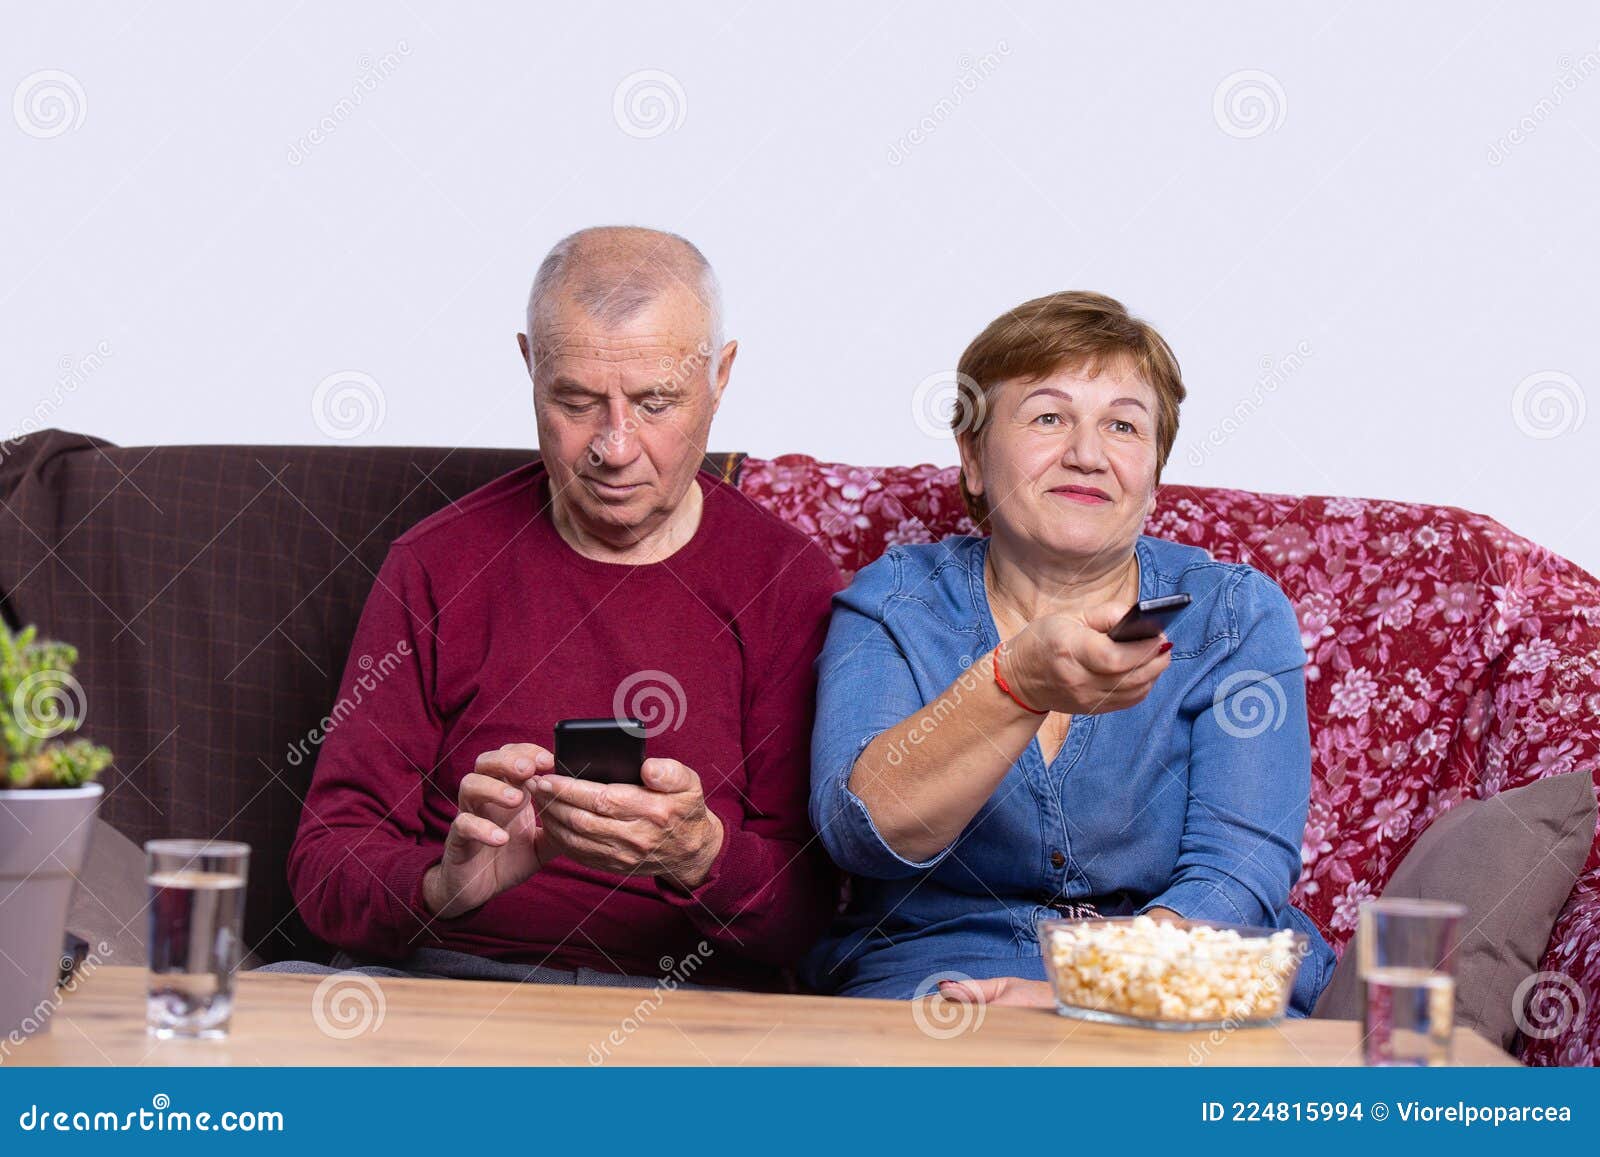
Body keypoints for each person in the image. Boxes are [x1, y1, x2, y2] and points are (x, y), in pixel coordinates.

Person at [262, 226, 841, 991]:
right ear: (530, 366)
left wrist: (702, 855)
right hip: (443, 980)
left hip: (678, 1005)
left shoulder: (787, 580)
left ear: (721, 374)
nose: (615, 446)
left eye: (655, 401)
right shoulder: (436, 563)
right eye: (575, 400)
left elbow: (817, 909)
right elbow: (326, 862)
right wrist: (441, 887)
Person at [800, 290, 1337, 1017]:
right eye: (1049, 417)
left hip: (1173, 978)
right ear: (974, 458)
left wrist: (1088, 987)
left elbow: (1236, 876)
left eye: (1122, 425)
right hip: (945, 979)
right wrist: (1013, 683)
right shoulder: (895, 603)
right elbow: (864, 832)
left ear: (1153, 476)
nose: (1087, 454)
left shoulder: (1236, 614)